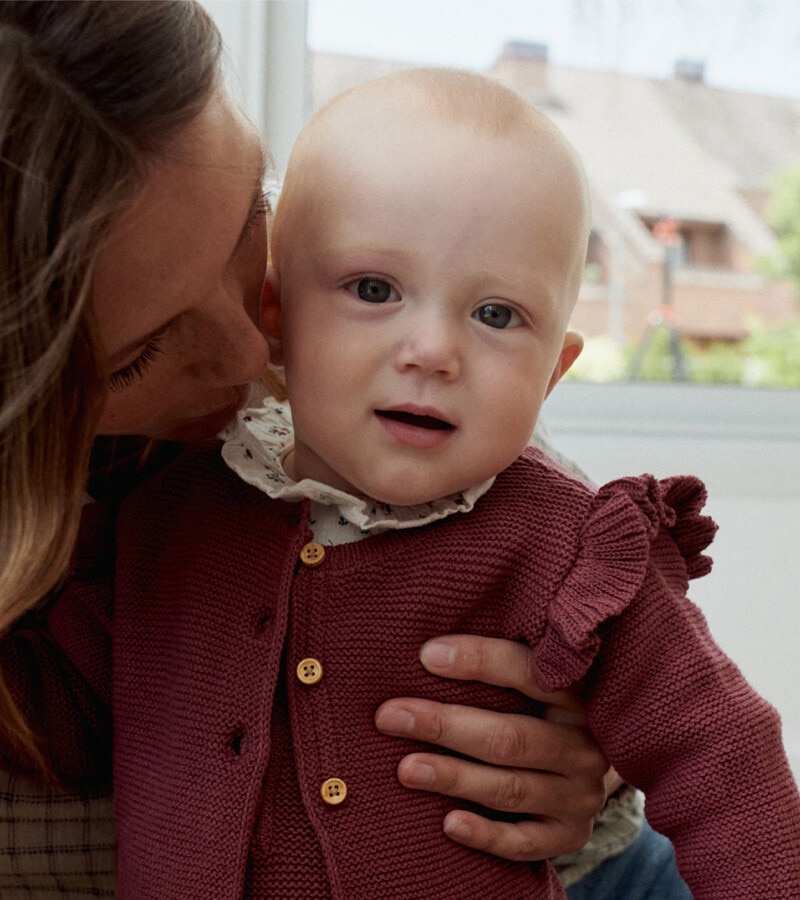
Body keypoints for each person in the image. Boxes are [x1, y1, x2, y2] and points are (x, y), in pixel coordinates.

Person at [8, 66, 799, 897]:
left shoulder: (562, 542)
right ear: (280, 317)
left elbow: (720, 755)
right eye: (374, 290)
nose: (432, 350)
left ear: (554, 371)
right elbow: (69, 715)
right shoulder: (167, 520)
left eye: (496, 315)